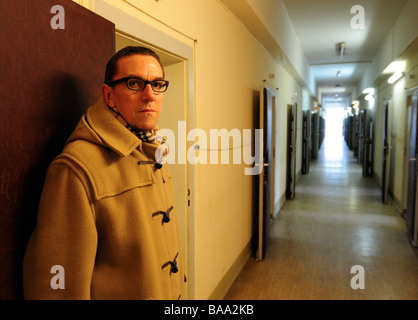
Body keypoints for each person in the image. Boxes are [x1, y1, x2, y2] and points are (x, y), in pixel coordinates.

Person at [23, 46, 185, 300]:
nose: (149, 95)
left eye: (157, 84)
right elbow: (58, 289)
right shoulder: (77, 167)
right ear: (108, 96)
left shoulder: (155, 145)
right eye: (134, 83)